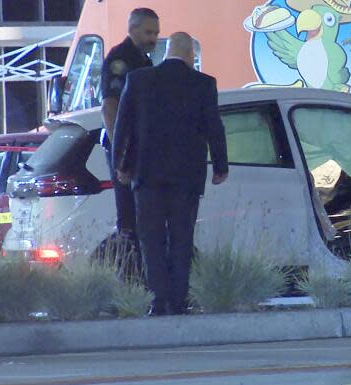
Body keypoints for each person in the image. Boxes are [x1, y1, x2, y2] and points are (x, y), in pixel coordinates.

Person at [113, 32, 230, 316]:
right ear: (192, 55)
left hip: (147, 176)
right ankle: (178, 300)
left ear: (166, 52)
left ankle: (158, 300)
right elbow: (215, 128)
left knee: (150, 239)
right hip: (186, 179)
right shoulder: (204, 84)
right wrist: (220, 167)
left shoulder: (139, 81)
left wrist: (121, 164)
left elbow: (122, 126)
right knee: (181, 238)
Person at [100, 8, 160, 242]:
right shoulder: (121, 59)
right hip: (127, 147)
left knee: (143, 215)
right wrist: (120, 155)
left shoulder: (143, 60)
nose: (153, 38)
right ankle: (130, 271)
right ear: (132, 29)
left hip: (139, 146)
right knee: (129, 217)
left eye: (156, 33)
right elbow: (110, 107)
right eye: (148, 32)